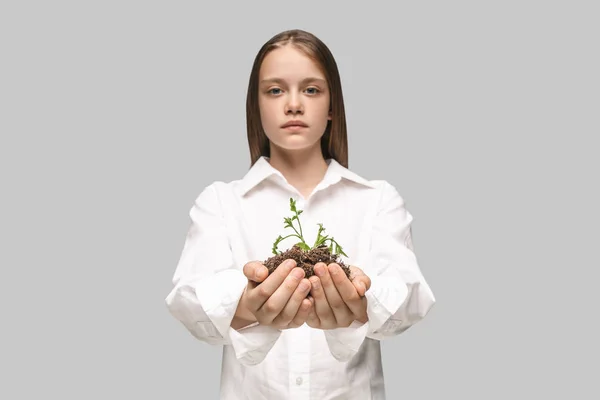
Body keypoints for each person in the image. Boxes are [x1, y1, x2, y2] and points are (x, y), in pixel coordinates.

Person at [165, 29, 435, 400]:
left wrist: (359, 303)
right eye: (275, 90)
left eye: (311, 90)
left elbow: (412, 298)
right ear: (256, 106)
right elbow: (187, 300)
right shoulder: (222, 202)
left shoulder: (376, 200)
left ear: (332, 107)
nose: (293, 104)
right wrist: (248, 303)